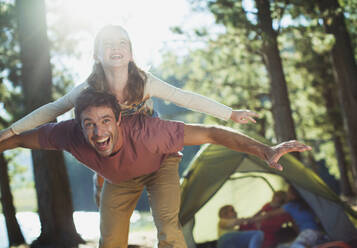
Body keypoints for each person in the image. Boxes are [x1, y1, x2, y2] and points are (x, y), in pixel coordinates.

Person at [0, 89, 312, 248]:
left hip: (160, 163)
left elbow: (212, 133)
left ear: (119, 120)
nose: (98, 132)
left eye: (106, 121)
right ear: (78, 126)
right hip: (118, 177)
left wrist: (266, 150)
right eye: (89, 124)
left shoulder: (150, 130)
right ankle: (101, 180)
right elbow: (22, 139)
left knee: (167, 224)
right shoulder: (67, 133)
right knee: (108, 240)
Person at [0, 24, 258, 206]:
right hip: (110, 134)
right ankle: (100, 180)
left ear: (131, 53)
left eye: (122, 43)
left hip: (142, 129)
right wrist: (11, 132)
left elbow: (186, 98)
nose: (116, 48)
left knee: (145, 154)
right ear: (96, 55)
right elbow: (54, 109)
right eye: (108, 44)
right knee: (103, 150)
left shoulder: (145, 82)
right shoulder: (88, 89)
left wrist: (230, 113)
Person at [247, 185, 323, 248]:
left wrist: (250, 220)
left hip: (309, 232)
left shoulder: (290, 206)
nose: (287, 193)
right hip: (316, 231)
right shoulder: (305, 204)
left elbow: (269, 215)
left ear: (293, 195)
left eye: (288, 192)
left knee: (297, 246)